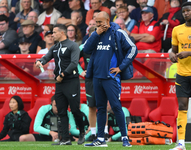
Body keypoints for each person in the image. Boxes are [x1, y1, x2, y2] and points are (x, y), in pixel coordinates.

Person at [83, 11, 137, 147]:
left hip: (111, 77)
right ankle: (100, 139)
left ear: (107, 20)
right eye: (96, 22)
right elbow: (86, 49)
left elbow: (133, 49)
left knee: (116, 107)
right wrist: (96, 33)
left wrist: (121, 67)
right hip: (97, 77)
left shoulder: (118, 32)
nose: (98, 25)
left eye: (100, 22)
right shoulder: (96, 34)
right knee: (100, 108)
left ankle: (125, 138)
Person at [35, 24, 85, 145]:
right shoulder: (55, 47)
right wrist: (40, 61)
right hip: (59, 82)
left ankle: (82, 132)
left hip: (71, 81)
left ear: (62, 33)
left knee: (74, 110)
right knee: (61, 110)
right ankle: (65, 138)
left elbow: (74, 63)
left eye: (55, 33)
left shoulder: (73, 46)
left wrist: (62, 74)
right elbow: (46, 57)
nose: (52, 35)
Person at [169, 2, 191, 150]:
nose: (185, 14)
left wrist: (189, 53)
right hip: (182, 74)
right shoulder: (177, 30)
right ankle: (181, 143)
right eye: (183, 12)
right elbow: (173, 50)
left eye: (188, 11)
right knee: (182, 106)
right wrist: (171, 55)